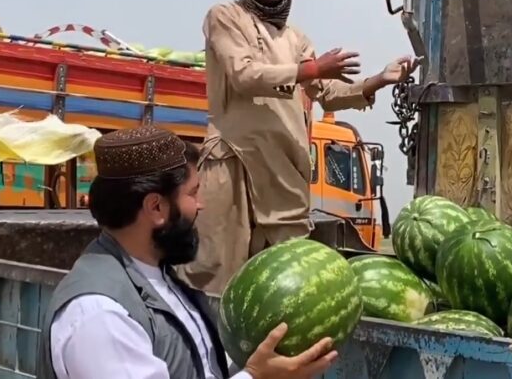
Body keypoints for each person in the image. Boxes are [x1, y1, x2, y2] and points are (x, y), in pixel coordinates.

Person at [181, 0, 418, 295]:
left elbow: (326, 94)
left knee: (285, 286)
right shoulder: (225, 17)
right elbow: (243, 75)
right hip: (234, 165)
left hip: (284, 176)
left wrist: (378, 80)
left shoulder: (297, 39)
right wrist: (310, 69)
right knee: (216, 276)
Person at [40, 125, 338, 379]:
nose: (201, 205)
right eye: (193, 193)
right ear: (156, 207)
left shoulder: (162, 282)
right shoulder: (100, 314)